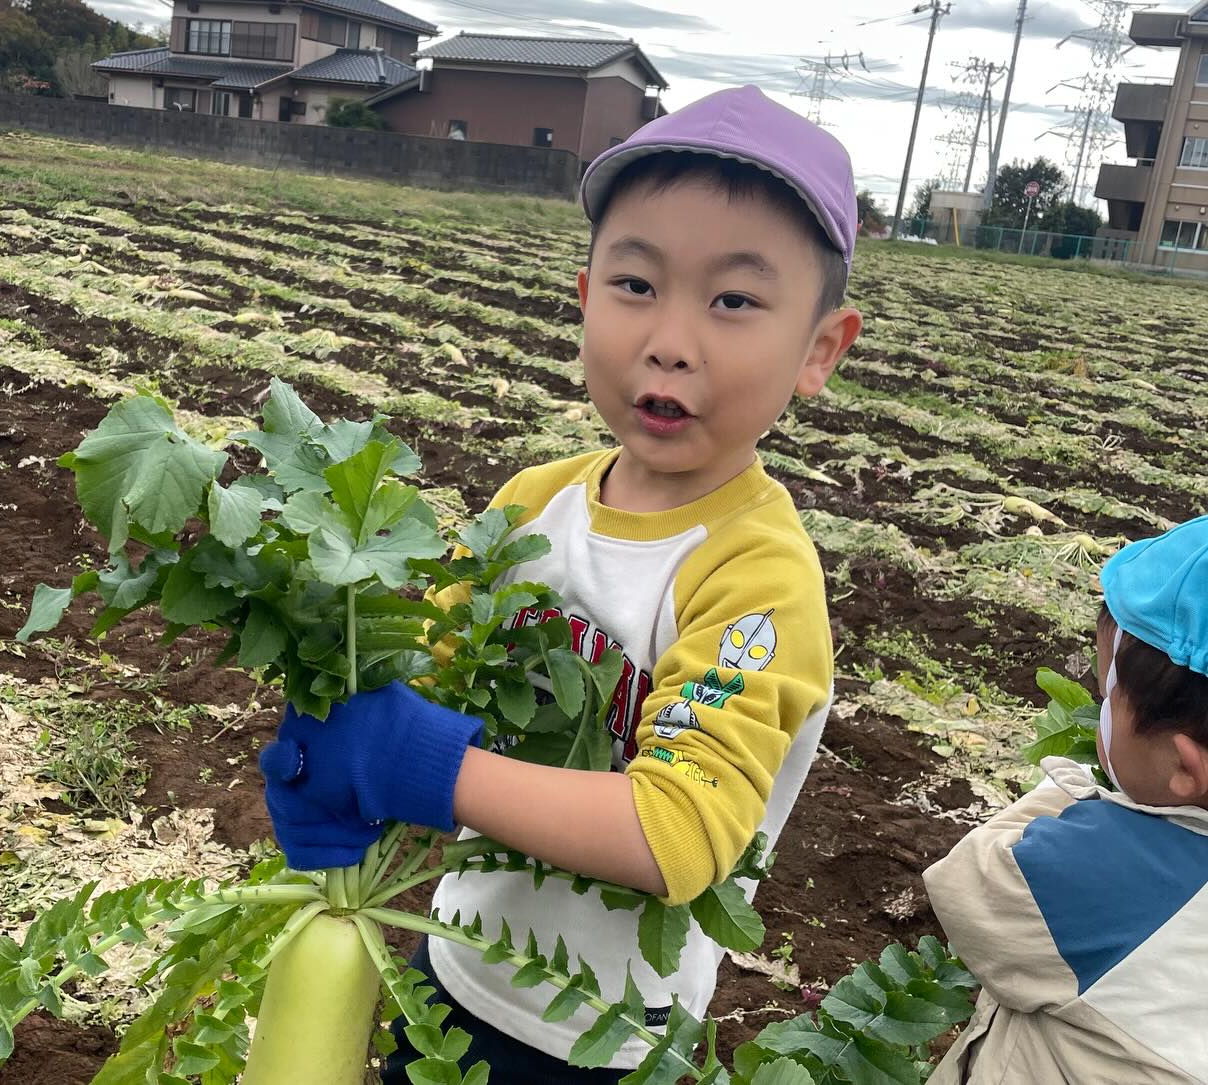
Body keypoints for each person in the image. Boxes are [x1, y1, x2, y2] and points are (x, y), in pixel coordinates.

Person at [260, 85, 864, 1080]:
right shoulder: (532, 505)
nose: (672, 338)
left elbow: (682, 830)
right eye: (637, 285)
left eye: (733, 301)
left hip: (603, 1042)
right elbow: (430, 679)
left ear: (819, 351)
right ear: (585, 298)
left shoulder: (757, 575)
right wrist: (342, 746)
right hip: (448, 971)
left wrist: (424, 765)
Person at [924, 516, 1208, 1084]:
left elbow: (969, 883)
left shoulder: (1123, 868)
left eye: (1105, 697)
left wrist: (1068, 790)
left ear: (1183, 767)